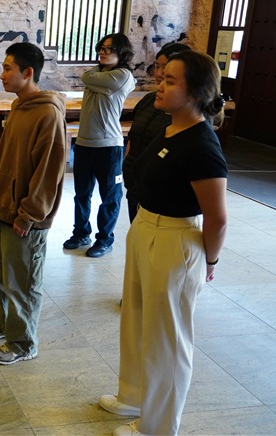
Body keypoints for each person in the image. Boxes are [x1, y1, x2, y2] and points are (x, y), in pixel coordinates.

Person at [99, 51, 227, 436]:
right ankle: (134, 396)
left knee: (167, 341)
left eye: (170, 81)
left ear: (195, 93)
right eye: (162, 77)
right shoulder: (169, 127)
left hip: (175, 241)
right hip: (145, 228)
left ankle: (157, 427)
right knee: (137, 322)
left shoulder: (202, 145)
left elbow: (217, 218)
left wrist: (210, 261)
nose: (160, 84)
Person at [0, 42, 66, 365]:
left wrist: (29, 214)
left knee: (23, 283)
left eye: (7, 68)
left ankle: (23, 343)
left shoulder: (47, 113)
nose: (1, 75)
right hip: (4, 208)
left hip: (25, 217)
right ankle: (3, 325)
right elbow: (8, 160)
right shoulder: (18, 107)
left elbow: (48, 172)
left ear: (28, 73)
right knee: (1, 276)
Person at [63, 33, 135, 258]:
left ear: (121, 52)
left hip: (109, 145)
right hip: (84, 143)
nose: (102, 53)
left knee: (109, 197)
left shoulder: (123, 75)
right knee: (81, 194)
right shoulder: (99, 74)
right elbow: (89, 77)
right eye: (101, 48)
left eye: (108, 49)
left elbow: (86, 77)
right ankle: (81, 233)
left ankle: (104, 240)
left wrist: (93, 75)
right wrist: (95, 74)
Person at [123, 42, 190, 221]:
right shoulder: (148, 101)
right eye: (157, 66)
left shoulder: (184, 111)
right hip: (134, 185)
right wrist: (127, 166)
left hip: (161, 192)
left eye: (165, 67)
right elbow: (133, 138)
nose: (159, 73)